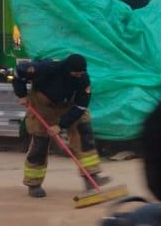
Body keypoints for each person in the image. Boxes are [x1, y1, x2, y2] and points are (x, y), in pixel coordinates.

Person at [13, 53, 111, 198]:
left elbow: (81, 105)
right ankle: (33, 183)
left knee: (84, 134)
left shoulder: (83, 79)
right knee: (40, 143)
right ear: (67, 69)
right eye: (76, 73)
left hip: (68, 105)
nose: (79, 75)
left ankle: (91, 177)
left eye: (81, 73)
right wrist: (21, 94)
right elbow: (18, 72)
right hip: (43, 104)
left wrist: (61, 125)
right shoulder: (46, 68)